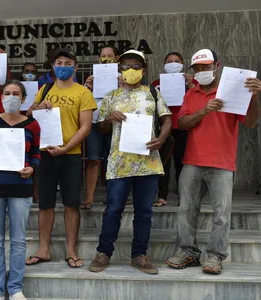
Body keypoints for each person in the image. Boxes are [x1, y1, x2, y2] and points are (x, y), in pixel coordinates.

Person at [166, 49, 260, 275]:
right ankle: (189, 252)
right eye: (197, 68)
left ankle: (216, 257)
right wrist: (204, 111)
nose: (201, 72)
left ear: (217, 66)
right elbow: (184, 123)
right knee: (186, 209)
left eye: (205, 67)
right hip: (192, 161)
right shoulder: (191, 94)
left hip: (222, 162)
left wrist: (254, 98)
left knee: (221, 213)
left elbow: (250, 123)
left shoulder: (233, 91)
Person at [89, 50, 172, 275]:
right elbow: (102, 129)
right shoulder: (111, 95)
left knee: (144, 211)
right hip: (119, 163)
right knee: (113, 209)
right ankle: (103, 252)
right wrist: (109, 118)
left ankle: (139, 255)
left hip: (148, 163)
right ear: (120, 69)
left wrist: (162, 138)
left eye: (135, 66)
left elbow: (167, 120)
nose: (130, 70)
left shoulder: (153, 93)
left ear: (143, 70)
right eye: (125, 66)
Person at [26, 48, 96, 268]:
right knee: (45, 203)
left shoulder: (83, 92)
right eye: (59, 62)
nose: (63, 66)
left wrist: (65, 148)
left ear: (75, 67)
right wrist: (38, 106)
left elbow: (85, 128)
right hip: (45, 154)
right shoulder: (45, 88)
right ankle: (44, 249)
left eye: (68, 63)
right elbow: (29, 115)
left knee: (71, 203)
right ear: (52, 66)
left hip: (70, 155)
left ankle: (71, 251)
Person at [0, 80, 41, 300]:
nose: (11, 97)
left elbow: (37, 155)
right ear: (1, 97)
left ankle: (15, 288)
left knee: (19, 240)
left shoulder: (32, 125)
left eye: (16, 94)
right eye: (7, 93)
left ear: (23, 99)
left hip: (21, 188)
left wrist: (32, 168)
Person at [151, 52, 195, 207]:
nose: (173, 63)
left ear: (183, 64)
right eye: (169, 61)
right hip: (163, 128)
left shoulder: (191, 82)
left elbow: (199, 102)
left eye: (176, 61)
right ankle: (162, 196)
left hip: (183, 127)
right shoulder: (156, 83)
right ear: (164, 64)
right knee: (162, 164)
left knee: (181, 164)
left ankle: (183, 196)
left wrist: (192, 85)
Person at [82, 44, 119, 209]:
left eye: (110, 55)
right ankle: (89, 198)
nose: (106, 58)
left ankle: (114, 198)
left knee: (114, 161)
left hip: (115, 122)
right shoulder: (92, 78)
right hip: (95, 122)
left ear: (116, 59)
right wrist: (87, 88)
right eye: (103, 55)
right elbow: (83, 101)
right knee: (93, 159)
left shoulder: (122, 77)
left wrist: (122, 85)